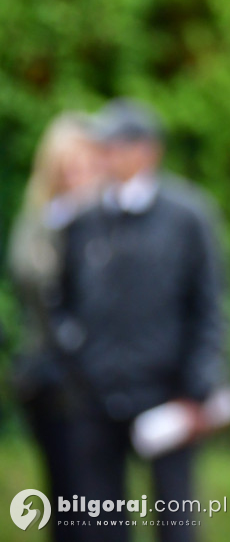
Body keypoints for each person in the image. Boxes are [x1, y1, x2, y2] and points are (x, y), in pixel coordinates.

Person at [56, 99, 226, 541]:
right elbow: (65, 299)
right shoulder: (84, 218)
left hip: (167, 391)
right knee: (100, 520)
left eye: (115, 144)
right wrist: (76, 358)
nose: (104, 155)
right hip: (97, 393)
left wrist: (198, 386)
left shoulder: (188, 215)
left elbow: (209, 304)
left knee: (175, 518)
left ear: (147, 150)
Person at [8, 113, 102, 540]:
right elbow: (33, 280)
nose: (74, 170)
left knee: (103, 503)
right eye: (66, 161)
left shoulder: (115, 223)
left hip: (104, 380)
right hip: (51, 378)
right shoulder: (41, 219)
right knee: (65, 500)